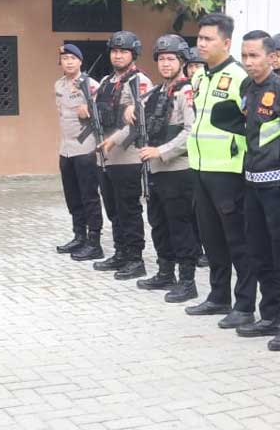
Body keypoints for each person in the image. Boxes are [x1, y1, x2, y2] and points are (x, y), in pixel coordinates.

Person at [210, 30, 280, 351]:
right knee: (259, 253)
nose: (248, 62)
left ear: (272, 57)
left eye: (254, 56)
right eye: (245, 56)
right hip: (253, 183)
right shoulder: (246, 88)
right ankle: (269, 316)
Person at [183, 13, 258, 322]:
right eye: (199, 38)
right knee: (211, 239)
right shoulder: (201, 76)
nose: (201, 43)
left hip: (229, 170)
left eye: (208, 39)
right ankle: (217, 297)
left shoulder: (241, 78)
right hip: (201, 168)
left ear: (226, 42)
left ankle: (244, 306)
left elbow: (251, 124)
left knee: (237, 241)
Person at [135, 34, 199, 303]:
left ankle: (187, 281)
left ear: (182, 61)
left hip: (179, 170)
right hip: (156, 171)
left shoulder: (187, 92)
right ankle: (165, 271)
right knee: (158, 223)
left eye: (171, 59)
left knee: (180, 225)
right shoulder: (157, 92)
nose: (165, 64)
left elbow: (191, 130)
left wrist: (161, 151)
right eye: (161, 59)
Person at [92, 31, 153, 280]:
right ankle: (120, 252)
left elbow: (139, 120)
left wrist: (113, 140)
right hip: (105, 157)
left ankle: (135, 258)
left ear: (133, 54)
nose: (118, 55)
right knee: (113, 208)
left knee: (128, 208)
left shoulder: (140, 82)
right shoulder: (106, 81)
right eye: (115, 51)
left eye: (123, 51)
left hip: (127, 156)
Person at [53, 44, 104, 260]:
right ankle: (79, 236)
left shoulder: (90, 85)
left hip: (85, 148)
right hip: (66, 149)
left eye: (73, 58)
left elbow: (104, 114)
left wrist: (90, 111)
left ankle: (94, 242)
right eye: (65, 58)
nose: (69, 62)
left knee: (89, 196)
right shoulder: (59, 85)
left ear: (80, 62)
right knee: (72, 195)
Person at [184, 46, 210, 268]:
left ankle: (208, 250)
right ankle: (196, 248)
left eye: (197, 65)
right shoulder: (185, 89)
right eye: (191, 66)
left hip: (210, 161)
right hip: (189, 160)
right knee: (191, 210)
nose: (193, 70)